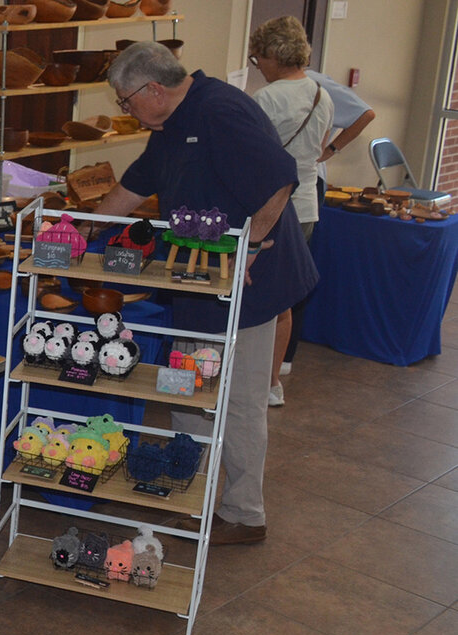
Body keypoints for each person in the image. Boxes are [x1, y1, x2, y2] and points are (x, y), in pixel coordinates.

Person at [95, 42, 318, 546]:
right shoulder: (168, 124)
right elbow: (134, 185)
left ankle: (244, 514)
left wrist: (253, 248)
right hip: (197, 278)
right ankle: (188, 493)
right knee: (186, 391)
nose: (125, 111)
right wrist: (77, 234)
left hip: (249, 281)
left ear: (155, 88)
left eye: (125, 101)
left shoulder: (221, 110)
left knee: (236, 401)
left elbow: (281, 180)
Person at [249, 15, 332, 407]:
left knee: (261, 296)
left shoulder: (267, 99)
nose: (258, 66)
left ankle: (251, 378)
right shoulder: (322, 95)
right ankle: (272, 383)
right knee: (284, 300)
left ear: (272, 55)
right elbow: (319, 150)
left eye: (257, 58)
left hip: (274, 207)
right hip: (308, 206)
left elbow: (247, 155)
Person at [284, 67, 375, 377]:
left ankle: (284, 356)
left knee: (293, 270)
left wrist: (331, 149)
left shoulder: (317, 83)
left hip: (307, 185)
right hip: (280, 183)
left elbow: (365, 114)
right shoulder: (272, 89)